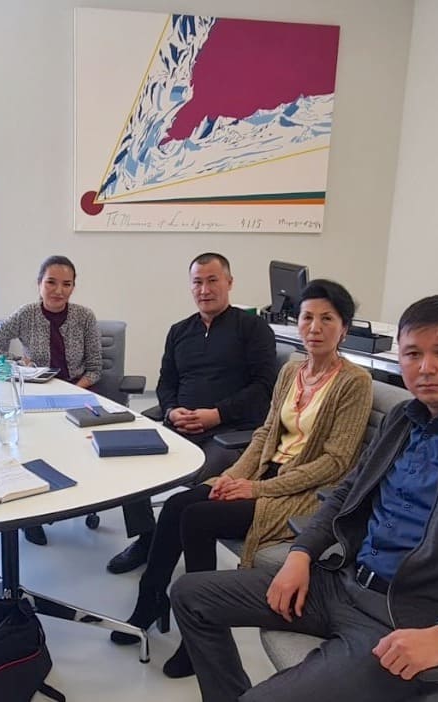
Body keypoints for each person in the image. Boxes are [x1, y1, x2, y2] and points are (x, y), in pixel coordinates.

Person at [170, 295, 438, 702]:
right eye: (413, 354)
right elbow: (347, 493)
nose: (426, 368)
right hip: (342, 583)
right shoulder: (405, 418)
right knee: (190, 595)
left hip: (405, 615)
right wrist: (301, 554)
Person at [110, 280, 372, 679]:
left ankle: (198, 632)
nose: (315, 327)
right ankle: (152, 600)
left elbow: (335, 464)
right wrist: (232, 476)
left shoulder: (354, 382)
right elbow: (267, 433)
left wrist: (256, 488)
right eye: (308, 317)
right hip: (264, 475)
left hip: (301, 494)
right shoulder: (291, 372)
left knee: (197, 517)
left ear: (344, 328)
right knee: (182, 504)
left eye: (327, 319)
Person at [106, 252, 277, 574]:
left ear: (229, 282)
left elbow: (264, 387)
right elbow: (166, 382)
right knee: (126, 459)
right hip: (180, 425)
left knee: (197, 486)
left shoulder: (252, 329)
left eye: (213, 280)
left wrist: (217, 414)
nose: (205, 289)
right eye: (197, 282)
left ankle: (181, 546)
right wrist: (171, 411)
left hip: (228, 433)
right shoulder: (179, 331)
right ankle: (147, 537)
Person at [0, 254, 103, 546]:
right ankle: (30, 517)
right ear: (39, 284)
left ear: (73, 287)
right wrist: (18, 363)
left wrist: (74, 392)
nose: (58, 290)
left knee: (77, 454)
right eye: (51, 282)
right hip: (36, 397)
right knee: (31, 451)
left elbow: (96, 368)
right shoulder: (26, 314)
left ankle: (81, 499)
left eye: (66, 284)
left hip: (78, 396)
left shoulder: (85, 316)